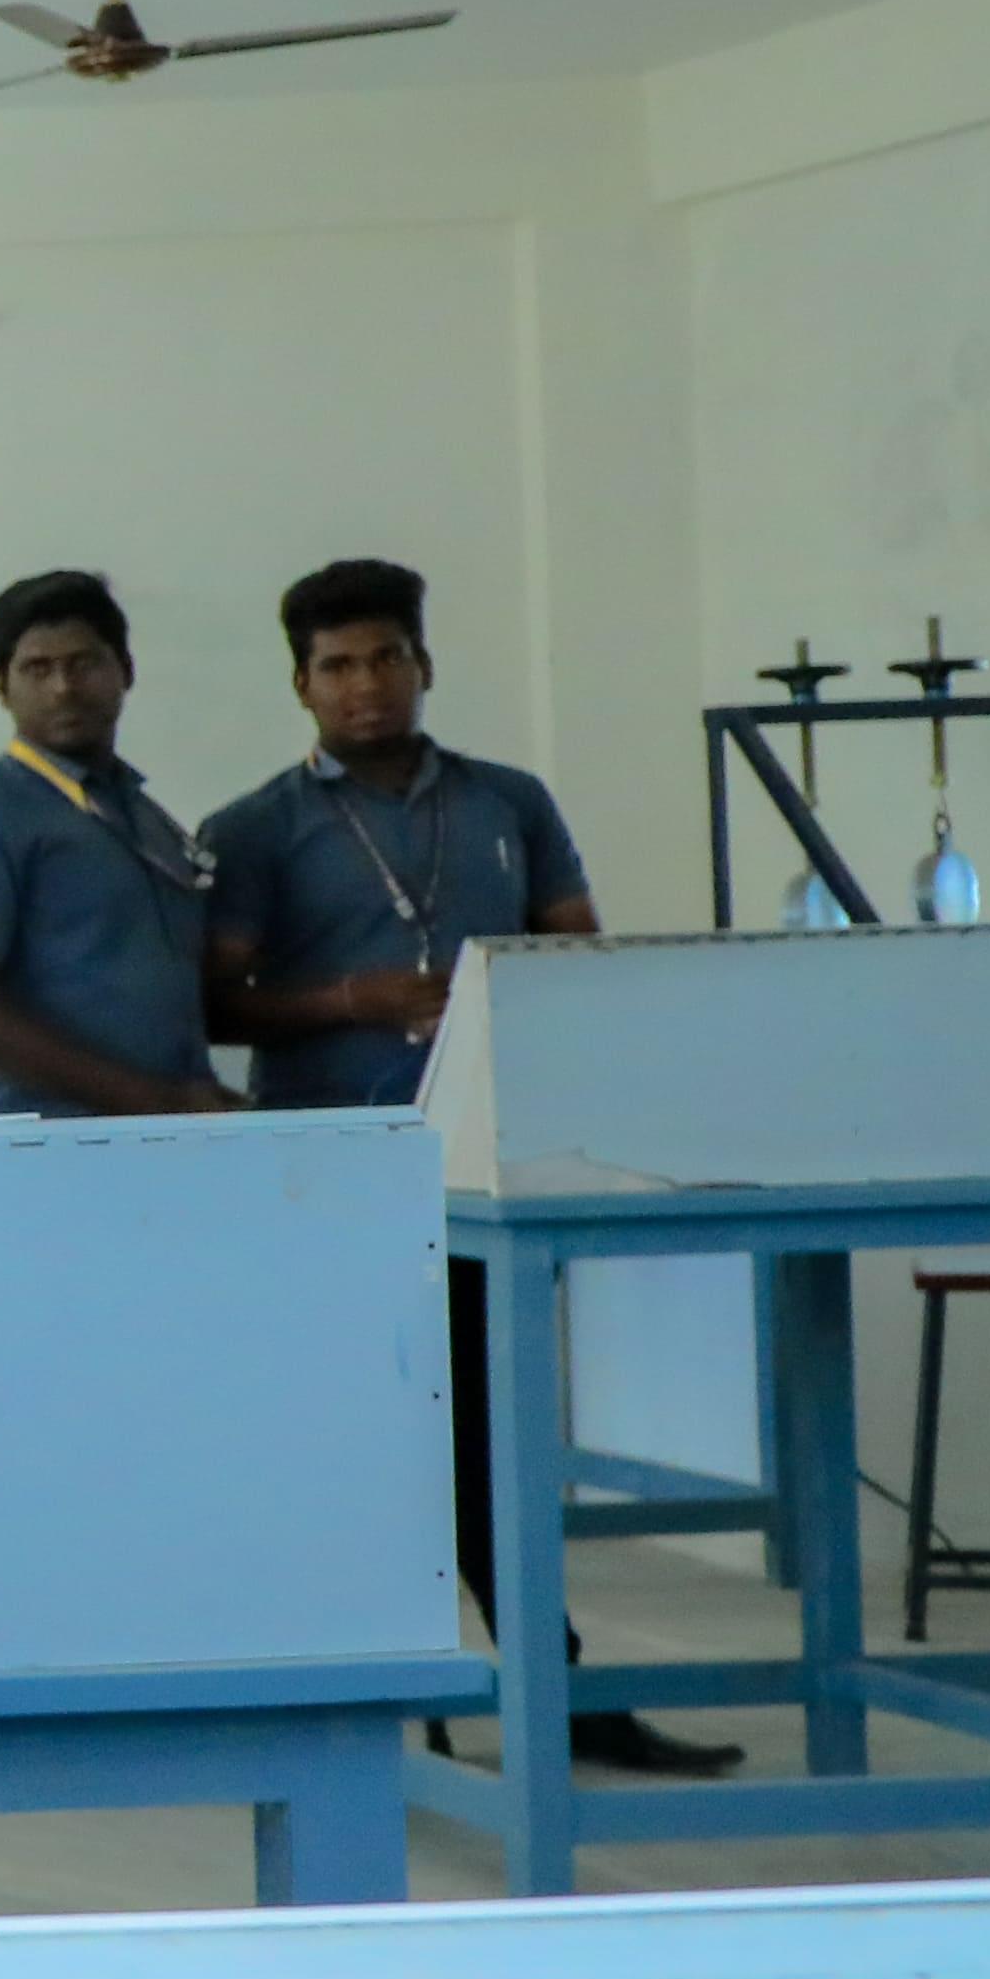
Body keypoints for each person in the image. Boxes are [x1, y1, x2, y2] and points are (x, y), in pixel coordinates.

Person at [201, 561, 724, 1770]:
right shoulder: (254, 828)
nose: (366, 685)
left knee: (495, 1435)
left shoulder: (507, 801)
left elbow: (579, 954)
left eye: (387, 657)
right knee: (357, 1441)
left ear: (424, 664)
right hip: (332, 1177)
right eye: (338, 665)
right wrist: (355, 998)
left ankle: (554, 1687)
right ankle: (364, 1703)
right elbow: (216, 1005)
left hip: (493, 1172)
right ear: (300, 685)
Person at [0, 572, 228, 1117]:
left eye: (83, 664)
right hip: (38, 1142)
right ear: (2, 687)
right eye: (38, 669)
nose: (63, 688)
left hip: (157, 1133)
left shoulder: (146, 817)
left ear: (126, 670)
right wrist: (154, 1100)